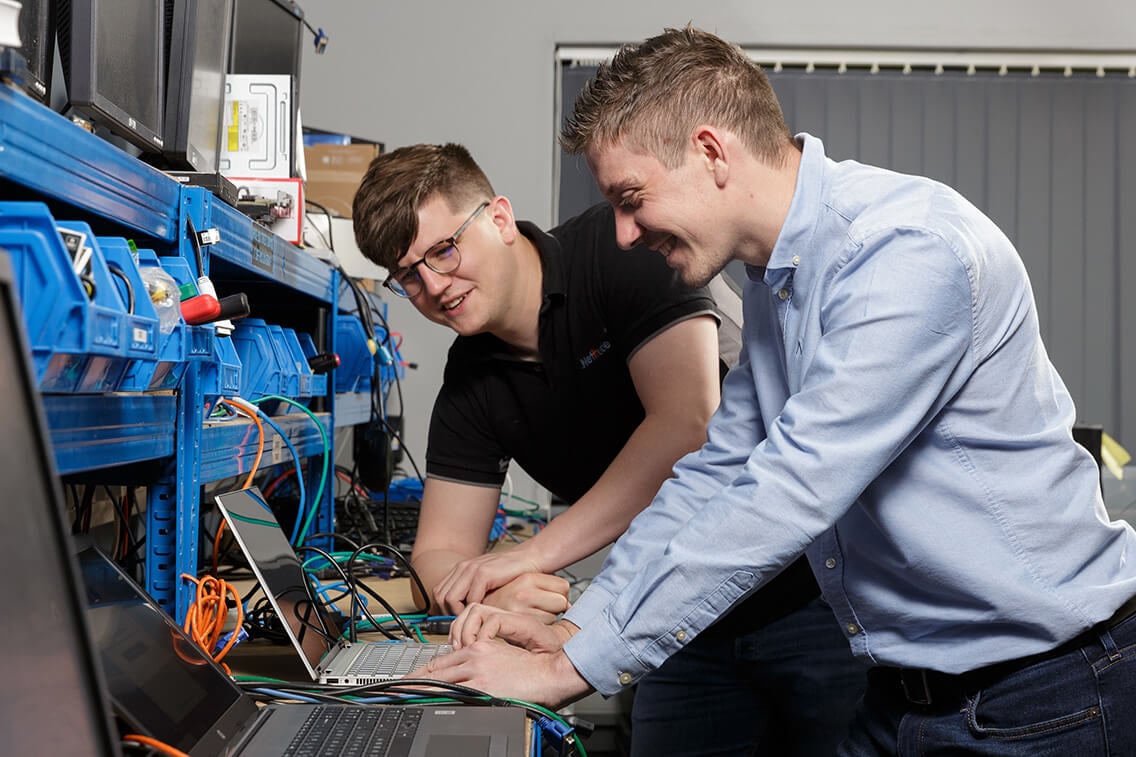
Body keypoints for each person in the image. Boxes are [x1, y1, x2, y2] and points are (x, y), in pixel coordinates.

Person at [418, 26, 1136, 756]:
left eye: (632, 199)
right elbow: (716, 471)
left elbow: (787, 489)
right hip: (907, 696)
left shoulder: (906, 251)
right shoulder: (777, 281)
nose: (624, 234)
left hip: (1048, 694)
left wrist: (571, 668)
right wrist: (578, 626)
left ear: (710, 152)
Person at [352, 143, 866, 755]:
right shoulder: (470, 384)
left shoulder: (618, 251)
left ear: (497, 218)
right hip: (673, 612)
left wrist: (530, 556)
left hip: (810, 597)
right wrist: (496, 590)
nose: (433, 285)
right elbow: (439, 552)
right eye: (408, 276)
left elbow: (687, 426)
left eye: (443, 249)